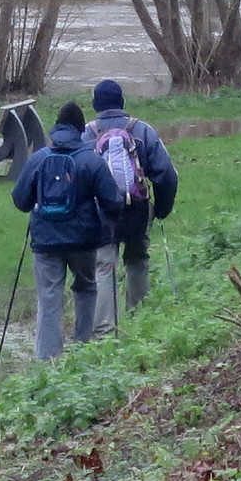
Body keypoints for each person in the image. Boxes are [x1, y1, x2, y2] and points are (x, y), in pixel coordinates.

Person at [11, 101, 123, 361]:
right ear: (81, 130)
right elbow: (113, 202)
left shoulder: (39, 158)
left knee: (49, 296)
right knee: (86, 287)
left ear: (57, 128)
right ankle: (82, 348)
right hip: (83, 241)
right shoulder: (91, 160)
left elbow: (20, 200)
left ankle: (48, 359)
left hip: (45, 242)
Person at [82, 79, 179, 335]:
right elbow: (167, 175)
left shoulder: (87, 134)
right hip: (137, 209)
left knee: (104, 265)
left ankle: (104, 331)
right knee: (137, 260)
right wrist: (161, 209)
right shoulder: (142, 130)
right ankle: (139, 323)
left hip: (102, 212)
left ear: (95, 105)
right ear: (122, 102)